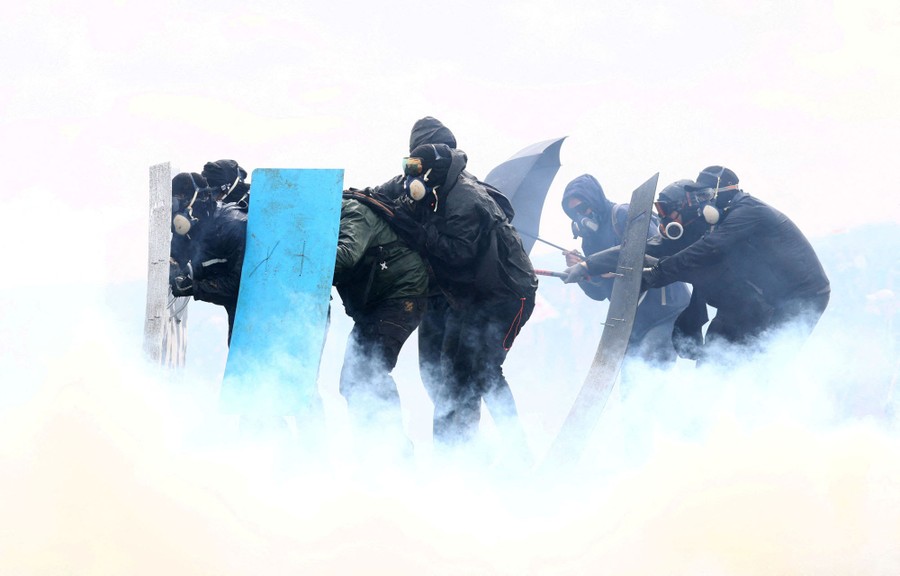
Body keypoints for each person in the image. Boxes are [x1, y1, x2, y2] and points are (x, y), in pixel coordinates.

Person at [390, 142, 538, 457]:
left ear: (433, 171)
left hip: (508, 297)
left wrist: (419, 231)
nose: (413, 178)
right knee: (454, 374)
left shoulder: (464, 200)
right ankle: (460, 455)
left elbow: (459, 254)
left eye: (418, 170)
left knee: (485, 370)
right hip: (476, 298)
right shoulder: (442, 191)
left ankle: (519, 451)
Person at [642, 166, 830, 341]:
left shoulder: (748, 212)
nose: (702, 202)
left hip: (804, 296)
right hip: (766, 297)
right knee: (719, 350)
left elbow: (709, 248)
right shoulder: (727, 216)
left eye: (705, 195)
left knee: (766, 356)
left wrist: (656, 273)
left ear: (722, 192)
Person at [332, 191, 428, 456]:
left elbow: (346, 255)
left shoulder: (352, 212)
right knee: (352, 380)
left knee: (371, 373)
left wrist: (299, 256)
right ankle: (372, 448)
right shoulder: (336, 214)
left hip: (400, 296)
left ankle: (393, 452)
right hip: (376, 304)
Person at [560, 174, 691, 368]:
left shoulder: (623, 214)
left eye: (582, 207)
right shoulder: (589, 241)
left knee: (650, 372)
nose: (581, 215)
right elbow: (599, 293)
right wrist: (582, 273)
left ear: (594, 199)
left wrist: (610, 269)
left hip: (666, 310)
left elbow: (657, 253)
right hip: (633, 322)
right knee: (630, 380)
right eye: (574, 213)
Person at [168, 171, 247, 345]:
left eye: (177, 204)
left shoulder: (232, 226)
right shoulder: (195, 227)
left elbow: (241, 287)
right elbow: (180, 254)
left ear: (196, 201)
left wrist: (194, 287)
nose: (175, 214)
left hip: (255, 310)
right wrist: (173, 264)